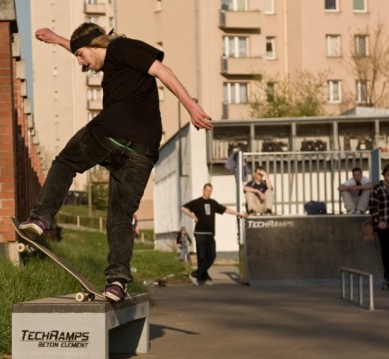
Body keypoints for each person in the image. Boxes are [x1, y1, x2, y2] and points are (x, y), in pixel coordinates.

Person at [20, 23, 212, 302]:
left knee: (65, 163)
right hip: (143, 150)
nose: (80, 62)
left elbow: (163, 72)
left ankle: (41, 217)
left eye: (81, 55)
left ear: (95, 45)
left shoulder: (122, 47)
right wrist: (57, 40)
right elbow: (82, 45)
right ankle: (118, 282)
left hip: (114, 131)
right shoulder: (110, 57)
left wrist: (191, 106)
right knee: (121, 217)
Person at [181, 183, 248, 286]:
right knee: (201, 257)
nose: (208, 193)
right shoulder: (197, 202)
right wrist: (193, 216)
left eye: (210, 191)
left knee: (212, 255)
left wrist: (239, 214)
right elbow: (183, 208)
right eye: (207, 190)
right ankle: (204, 278)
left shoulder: (213, 203)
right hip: (200, 232)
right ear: (203, 190)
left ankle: (196, 274)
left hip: (210, 233)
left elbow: (226, 210)